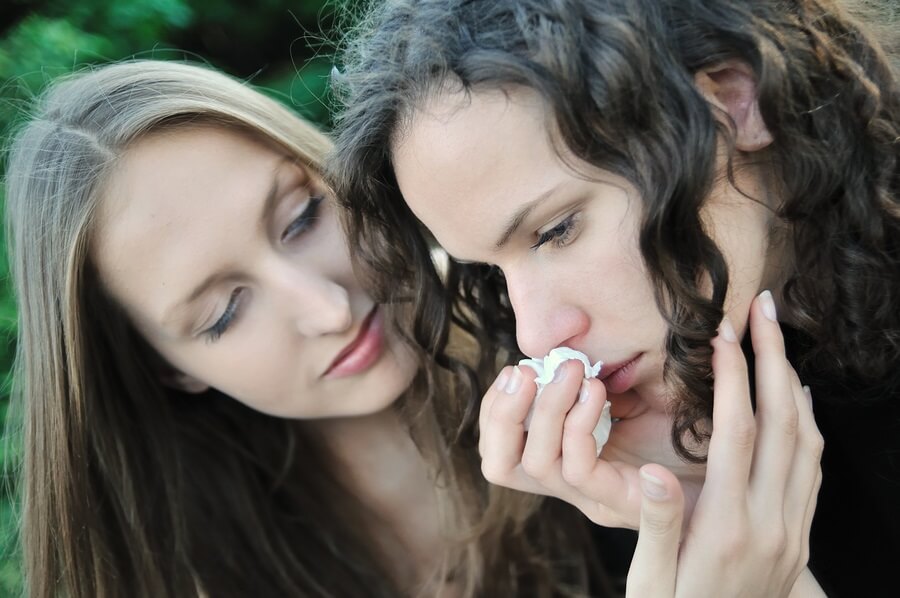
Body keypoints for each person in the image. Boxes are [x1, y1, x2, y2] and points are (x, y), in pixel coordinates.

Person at [327, 0, 899, 596]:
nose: (534, 336)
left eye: (556, 231)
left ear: (732, 100)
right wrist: (699, 521)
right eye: (494, 275)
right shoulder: (625, 469)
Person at [4, 59, 614, 597]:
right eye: (224, 313)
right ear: (165, 368)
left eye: (302, 217)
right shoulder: (192, 575)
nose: (329, 309)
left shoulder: (568, 331)